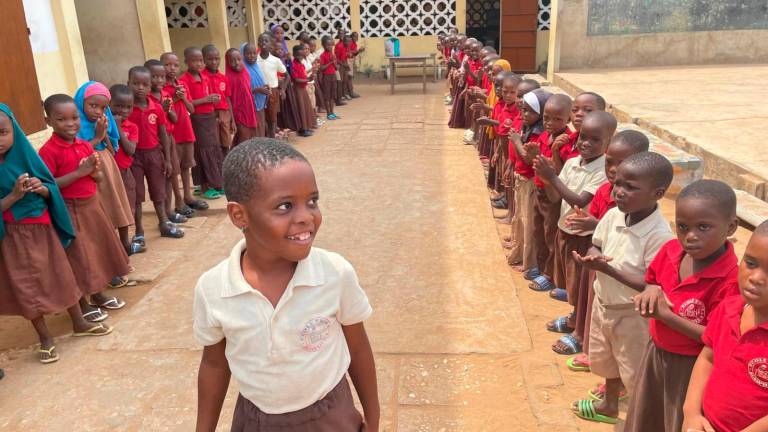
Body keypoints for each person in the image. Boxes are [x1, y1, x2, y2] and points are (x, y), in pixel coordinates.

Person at [194, 138, 380, 431]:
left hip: (330, 416)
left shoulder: (334, 273)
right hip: (257, 421)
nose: (306, 217)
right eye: (285, 206)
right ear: (239, 215)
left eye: (312, 201)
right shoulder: (214, 288)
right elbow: (215, 365)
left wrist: (374, 416)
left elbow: (358, 348)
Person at [624, 180, 740, 431]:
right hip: (656, 352)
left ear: (730, 227)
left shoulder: (731, 280)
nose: (690, 236)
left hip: (691, 367)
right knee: (647, 414)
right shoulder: (671, 250)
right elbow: (652, 279)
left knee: (675, 420)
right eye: (682, 226)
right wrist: (652, 291)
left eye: (704, 227)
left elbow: (713, 337)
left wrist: (665, 315)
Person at [0, 104, 112, 364]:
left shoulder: (27, 158)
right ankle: (45, 338)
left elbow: (51, 186)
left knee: (61, 274)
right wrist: (14, 196)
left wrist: (42, 189)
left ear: (14, 130)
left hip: (42, 228)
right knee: (25, 285)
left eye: (3, 132)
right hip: (12, 237)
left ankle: (79, 322)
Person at [569, 152, 675, 424]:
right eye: (618, 184)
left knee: (633, 370)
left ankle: (638, 421)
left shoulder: (659, 235)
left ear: (658, 193)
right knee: (608, 360)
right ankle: (610, 404)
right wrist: (594, 257)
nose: (619, 192)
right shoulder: (613, 215)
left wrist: (609, 270)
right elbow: (598, 243)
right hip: (604, 304)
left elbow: (652, 283)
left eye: (631, 187)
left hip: (631, 314)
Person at [564, 129, 650, 377]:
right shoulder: (605, 192)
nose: (613, 170)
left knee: (625, 344)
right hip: (600, 268)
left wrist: (593, 225)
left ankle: (617, 381)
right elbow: (599, 235)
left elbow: (649, 280)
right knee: (593, 309)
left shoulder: (654, 231)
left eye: (622, 164)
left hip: (623, 291)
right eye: (610, 162)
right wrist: (594, 250)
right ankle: (589, 348)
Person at [39, 94, 130, 323]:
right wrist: (79, 173)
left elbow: (97, 177)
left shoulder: (83, 145)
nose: (70, 124)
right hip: (70, 210)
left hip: (92, 206)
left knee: (97, 252)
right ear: (48, 121)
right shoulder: (48, 152)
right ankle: (83, 303)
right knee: (79, 257)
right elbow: (48, 185)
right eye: (61, 119)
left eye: (74, 118)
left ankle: (98, 294)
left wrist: (94, 171)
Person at [536, 112, 617, 356]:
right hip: (565, 231)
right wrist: (547, 179)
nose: (585, 143)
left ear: (608, 143)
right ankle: (574, 317)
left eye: (595, 140)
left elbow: (579, 202)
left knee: (581, 287)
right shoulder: (572, 162)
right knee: (569, 284)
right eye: (583, 137)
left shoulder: (602, 170)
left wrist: (551, 177)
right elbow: (555, 197)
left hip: (583, 237)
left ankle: (581, 333)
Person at [682, 220, 768, 432]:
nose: (756, 278)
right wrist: (691, 412)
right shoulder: (729, 309)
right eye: (750, 263)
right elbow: (708, 356)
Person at [73, 82, 136, 279]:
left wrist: (105, 134)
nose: (97, 111)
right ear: (80, 103)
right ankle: (109, 264)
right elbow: (77, 154)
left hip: (107, 166)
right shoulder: (73, 126)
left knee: (117, 206)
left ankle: (123, 249)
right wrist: (98, 136)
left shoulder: (102, 121)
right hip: (90, 172)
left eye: (103, 108)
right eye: (93, 106)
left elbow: (111, 148)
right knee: (102, 218)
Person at [127, 66, 185, 242]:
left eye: (145, 84)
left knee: (159, 192)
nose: (140, 88)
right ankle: (139, 231)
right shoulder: (127, 110)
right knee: (137, 195)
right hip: (134, 156)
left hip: (154, 154)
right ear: (128, 83)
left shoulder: (157, 108)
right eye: (135, 83)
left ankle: (164, 223)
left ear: (150, 85)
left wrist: (167, 159)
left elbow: (163, 134)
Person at [527, 94, 575, 291]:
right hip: (539, 189)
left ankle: (551, 274)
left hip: (553, 195)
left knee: (550, 235)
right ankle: (541, 267)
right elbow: (537, 164)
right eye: (547, 118)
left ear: (568, 120)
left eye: (558, 119)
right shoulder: (544, 136)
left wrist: (555, 152)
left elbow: (561, 172)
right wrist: (534, 156)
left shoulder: (565, 141)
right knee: (538, 231)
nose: (550, 123)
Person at [505, 88, 550, 273]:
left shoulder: (538, 133)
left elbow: (529, 159)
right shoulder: (527, 127)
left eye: (530, 111)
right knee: (520, 217)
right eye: (523, 110)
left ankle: (528, 263)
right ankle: (517, 251)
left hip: (531, 181)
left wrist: (516, 141)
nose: (524, 114)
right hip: (521, 178)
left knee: (528, 221)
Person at [161, 51, 206, 216]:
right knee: (175, 168)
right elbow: (163, 110)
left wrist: (183, 97)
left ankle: (188, 196)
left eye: (175, 65)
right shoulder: (161, 88)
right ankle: (178, 200)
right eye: (167, 65)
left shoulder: (181, 84)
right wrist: (173, 97)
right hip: (173, 132)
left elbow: (191, 109)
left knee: (186, 165)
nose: (171, 68)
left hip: (186, 129)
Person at [145, 59, 187, 225]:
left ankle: (169, 211)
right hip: (155, 142)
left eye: (162, 77)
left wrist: (169, 107)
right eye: (155, 77)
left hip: (169, 139)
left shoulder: (166, 95)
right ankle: (163, 214)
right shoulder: (147, 98)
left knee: (170, 174)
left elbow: (174, 119)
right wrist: (160, 108)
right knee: (159, 179)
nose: (160, 81)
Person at [179, 47, 225, 200]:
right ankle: (206, 186)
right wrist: (206, 100)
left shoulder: (204, 77)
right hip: (197, 120)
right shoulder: (184, 80)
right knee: (203, 151)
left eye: (200, 61)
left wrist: (214, 99)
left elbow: (208, 96)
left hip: (210, 117)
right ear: (186, 62)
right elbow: (190, 105)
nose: (198, 64)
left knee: (213, 149)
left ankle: (216, 182)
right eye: (194, 61)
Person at [108, 84, 142, 255]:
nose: (123, 110)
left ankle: (125, 243)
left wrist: (118, 128)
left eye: (128, 107)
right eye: (118, 106)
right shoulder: (102, 126)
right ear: (109, 106)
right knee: (110, 209)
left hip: (125, 173)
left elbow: (130, 150)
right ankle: (113, 245)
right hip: (109, 176)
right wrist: (110, 128)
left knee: (127, 208)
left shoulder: (132, 127)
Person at [202, 45, 236, 157]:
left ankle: (226, 162)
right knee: (214, 141)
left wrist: (232, 119)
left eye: (217, 59)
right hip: (210, 113)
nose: (214, 62)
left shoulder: (223, 78)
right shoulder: (202, 77)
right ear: (203, 60)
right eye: (210, 59)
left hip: (224, 113)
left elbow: (227, 98)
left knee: (226, 141)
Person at [225, 48, 260, 145]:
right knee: (243, 139)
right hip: (238, 115)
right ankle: (240, 159)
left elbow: (248, 93)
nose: (236, 63)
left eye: (239, 59)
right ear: (227, 63)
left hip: (250, 112)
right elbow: (228, 100)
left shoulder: (245, 73)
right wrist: (232, 120)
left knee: (252, 138)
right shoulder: (228, 78)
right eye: (232, 61)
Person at [257, 33, 288, 137]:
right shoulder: (255, 60)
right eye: (261, 41)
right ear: (258, 44)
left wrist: (282, 89)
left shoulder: (275, 60)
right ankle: (266, 138)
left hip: (272, 92)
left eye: (266, 41)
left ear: (270, 44)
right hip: (259, 93)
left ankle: (272, 139)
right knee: (262, 118)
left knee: (272, 119)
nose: (263, 43)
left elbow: (287, 76)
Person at [240, 43, 270, 138]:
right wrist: (257, 90)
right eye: (248, 53)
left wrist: (264, 87)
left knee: (261, 128)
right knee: (254, 130)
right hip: (250, 106)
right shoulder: (242, 70)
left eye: (254, 53)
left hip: (260, 105)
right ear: (243, 54)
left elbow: (257, 82)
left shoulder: (256, 66)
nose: (252, 55)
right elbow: (241, 91)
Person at [291, 43, 316, 138]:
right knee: (301, 109)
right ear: (294, 54)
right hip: (297, 89)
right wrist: (308, 80)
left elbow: (303, 76)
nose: (300, 57)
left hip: (303, 88)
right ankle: (302, 129)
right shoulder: (293, 65)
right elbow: (296, 79)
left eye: (302, 55)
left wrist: (311, 75)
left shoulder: (301, 64)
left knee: (306, 108)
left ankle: (307, 126)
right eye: (298, 55)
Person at [319, 35, 340, 121]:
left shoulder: (332, 54)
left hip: (333, 76)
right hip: (326, 77)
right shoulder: (323, 55)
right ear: (323, 45)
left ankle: (332, 112)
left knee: (332, 96)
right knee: (327, 96)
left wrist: (334, 62)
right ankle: (328, 113)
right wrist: (330, 62)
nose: (330, 46)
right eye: (327, 45)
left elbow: (336, 68)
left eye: (331, 45)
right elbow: (321, 68)